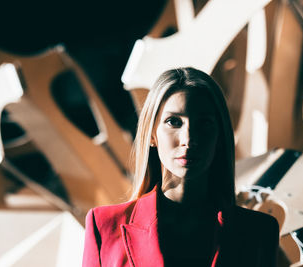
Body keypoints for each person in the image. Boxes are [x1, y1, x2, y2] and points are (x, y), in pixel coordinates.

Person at [82, 67, 279, 266]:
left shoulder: (259, 232)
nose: (189, 139)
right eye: (173, 122)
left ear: (219, 136)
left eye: (203, 124)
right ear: (151, 134)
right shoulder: (104, 226)